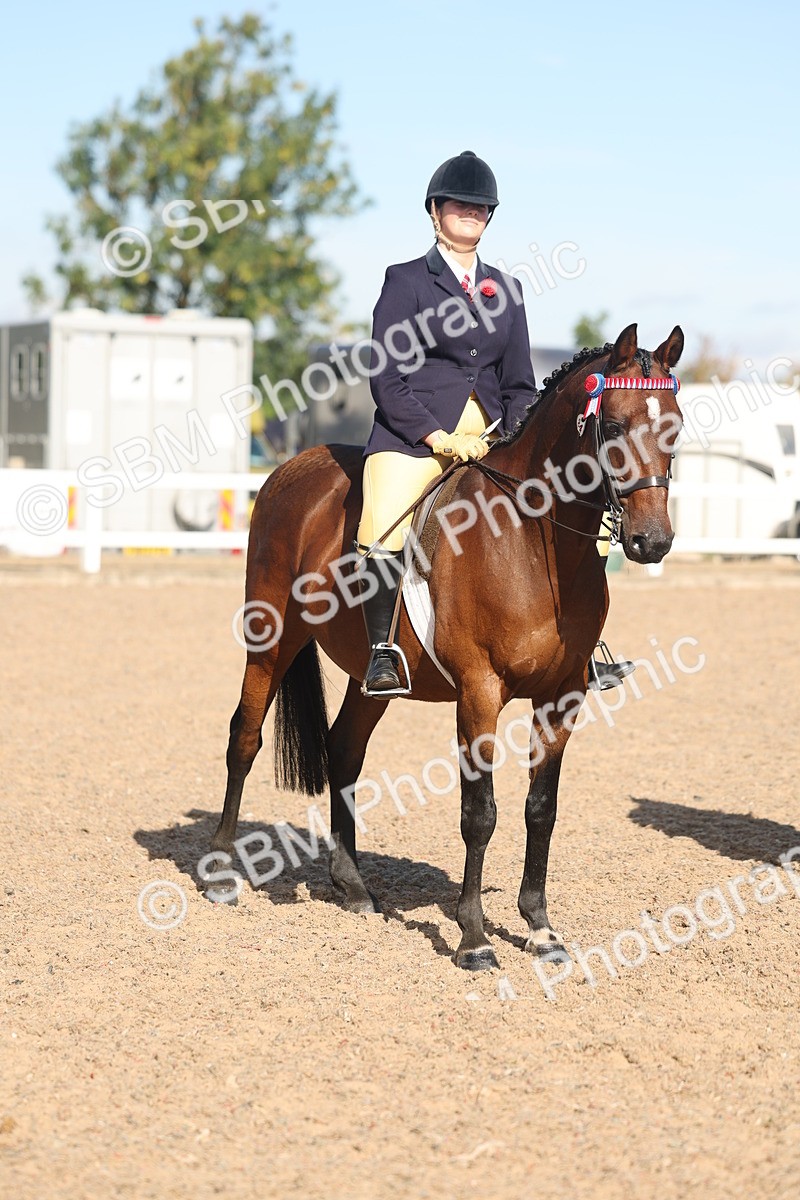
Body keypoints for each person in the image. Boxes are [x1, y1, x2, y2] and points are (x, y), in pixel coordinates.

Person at [355, 150, 633, 695]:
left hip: (491, 440)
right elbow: (387, 377)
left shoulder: (506, 290)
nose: (472, 213)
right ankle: (382, 652)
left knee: (584, 515)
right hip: (415, 437)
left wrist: (514, 437)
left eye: (482, 208)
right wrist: (437, 436)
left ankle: (583, 646)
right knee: (383, 521)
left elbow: (519, 383)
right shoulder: (406, 281)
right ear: (435, 211)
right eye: (461, 205)